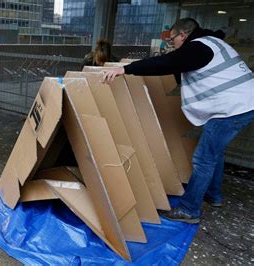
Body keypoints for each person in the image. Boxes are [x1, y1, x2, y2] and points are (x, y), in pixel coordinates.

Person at [102, 18, 254, 224]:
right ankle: (213, 195)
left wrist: (126, 69)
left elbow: (167, 63)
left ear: (183, 34)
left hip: (233, 107)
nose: (170, 43)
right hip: (242, 103)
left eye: (172, 39)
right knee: (213, 151)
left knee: (203, 159)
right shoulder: (211, 42)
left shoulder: (197, 48)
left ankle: (189, 209)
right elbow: (179, 67)